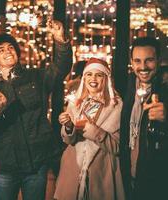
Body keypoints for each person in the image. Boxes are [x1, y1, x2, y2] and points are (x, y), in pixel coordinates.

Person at [0, 20, 72, 200]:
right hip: (7, 165)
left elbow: (61, 68)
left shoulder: (36, 77)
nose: (8, 51)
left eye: (11, 47)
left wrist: (61, 41)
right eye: (1, 50)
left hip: (37, 163)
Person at [54, 58, 125, 200]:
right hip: (72, 171)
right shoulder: (75, 103)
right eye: (89, 74)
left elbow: (118, 147)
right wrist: (68, 127)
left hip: (101, 174)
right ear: (84, 77)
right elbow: (69, 141)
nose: (93, 78)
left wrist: (92, 131)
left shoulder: (117, 106)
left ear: (106, 79)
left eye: (99, 75)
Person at [120, 37, 168, 200]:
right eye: (137, 61)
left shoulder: (165, 87)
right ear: (131, 62)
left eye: (149, 61)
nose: (143, 67)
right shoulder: (124, 86)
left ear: (159, 60)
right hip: (127, 176)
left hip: (157, 181)